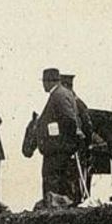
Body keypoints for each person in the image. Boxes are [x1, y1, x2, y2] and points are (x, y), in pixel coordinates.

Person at [35, 67, 82, 202]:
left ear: (49, 81)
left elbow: (69, 120)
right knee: (61, 185)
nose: (43, 85)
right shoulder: (65, 93)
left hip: (57, 150)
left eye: (44, 81)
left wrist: (64, 141)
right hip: (61, 149)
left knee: (53, 184)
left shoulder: (58, 95)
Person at [60, 72, 93, 200]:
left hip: (77, 147)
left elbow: (87, 124)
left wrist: (87, 143)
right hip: (69, 147)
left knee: (78, 176)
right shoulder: (74, 102)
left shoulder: (78, 103)